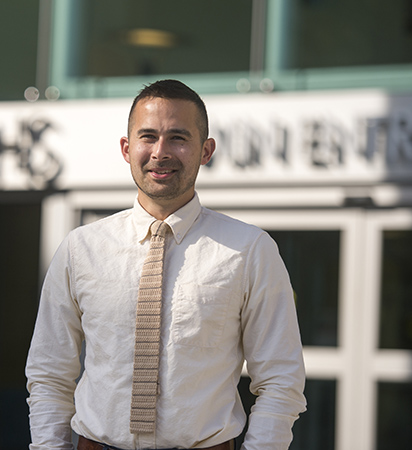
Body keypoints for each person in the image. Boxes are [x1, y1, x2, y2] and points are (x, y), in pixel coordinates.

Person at [25, 80, 306, 450]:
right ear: (127, 149)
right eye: (148, 136)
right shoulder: (80, 249)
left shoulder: (251, 250)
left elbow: (281, 380)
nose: (160, 152)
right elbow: (49, 375)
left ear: (206, 151)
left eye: (178, 137)